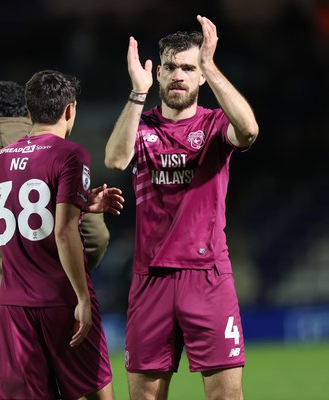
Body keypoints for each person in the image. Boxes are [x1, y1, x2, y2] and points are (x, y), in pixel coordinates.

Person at [105, 15, 259, 400]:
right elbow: (115, 160)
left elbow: (250, 130)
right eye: (171, 67)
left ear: (201, 76)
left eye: (189, 68)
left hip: (208, 277)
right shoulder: (142, 127)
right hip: (150, 279)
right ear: (157, 73)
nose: (179, 75)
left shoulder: (213, 126)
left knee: (226, 396)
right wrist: (137, 94)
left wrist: (211, 65)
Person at [0, 70, 124, 400]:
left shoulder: (1, 159)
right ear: (70, 110)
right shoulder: (71, 154)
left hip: (13, 305)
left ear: (29, 113)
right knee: (97, 395)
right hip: (59, 299)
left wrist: (81, 205)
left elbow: (32, 213)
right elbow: (63, 231)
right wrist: (81, 297)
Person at [0, 80, 111, 379]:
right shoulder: (64, 155)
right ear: (28, 113)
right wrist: (70, 278)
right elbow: (95, 238)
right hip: (55, 296)